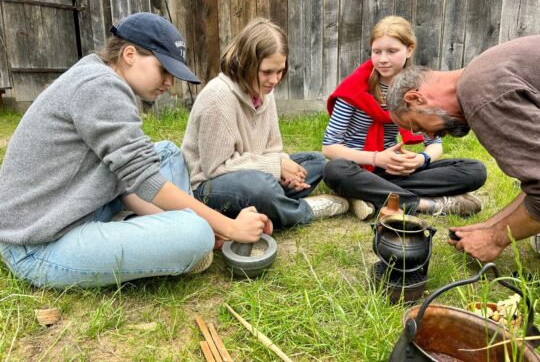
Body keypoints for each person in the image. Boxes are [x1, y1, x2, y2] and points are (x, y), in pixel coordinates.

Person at [0, 12, 269, 288]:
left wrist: (187, 221)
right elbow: (146, 181)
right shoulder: (100, 87)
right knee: (196, 234)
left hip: (72, 203)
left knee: (167, 152)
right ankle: (178, 236)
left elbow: (127, 179)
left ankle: (164, 231)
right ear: (130, 54)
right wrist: (229, 226)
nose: (169, 82)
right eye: (164, 70)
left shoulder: (97, 74)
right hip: (39, 242)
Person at [181, 17, 349, 232]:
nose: (275, 80)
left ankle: (273, 201)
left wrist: (284, 170)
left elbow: (273, 148)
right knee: (261, 188)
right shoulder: (218, 97)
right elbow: (216, 168)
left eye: (280, 71)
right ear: (246, 64)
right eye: (267, 72)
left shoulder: (265, 93)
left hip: (255, 173)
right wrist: (277, 167)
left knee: (315, 162)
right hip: (208, 186)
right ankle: (303, 209)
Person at [386, 35, 540, 262]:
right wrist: (489, 225)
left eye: (418, 126)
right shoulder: (482, 71)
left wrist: (494, 238)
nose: (429, 136)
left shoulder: (480, 95)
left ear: (415, 98)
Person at [322, 16, 486, 220]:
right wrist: (376, 158)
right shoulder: (353, 88)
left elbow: (435, 144)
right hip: (357, 166)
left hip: (392, 170)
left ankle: (370, 194)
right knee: (334, 170)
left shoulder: (417, 88)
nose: (382, 59)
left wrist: (420, 160)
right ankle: (427, 205)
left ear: (409, 50)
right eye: (376, 52)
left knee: (474, 170)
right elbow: (329, 148)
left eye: (392, 51)